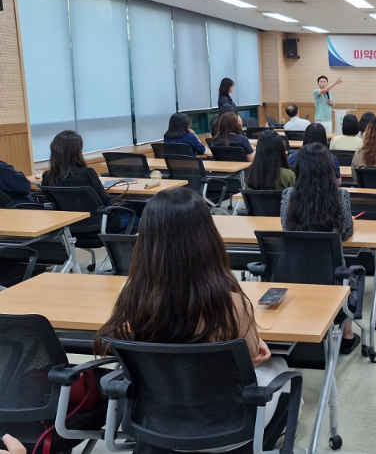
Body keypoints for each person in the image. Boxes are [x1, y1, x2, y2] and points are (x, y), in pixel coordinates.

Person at [94, 189, 289, 442]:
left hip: (155, 422)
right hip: (228, 427)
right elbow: (252, 358)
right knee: (281, 366)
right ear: (208, 237)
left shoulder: (133, 297)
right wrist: (253, 341)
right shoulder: (232, 304)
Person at [280, 143, 359, 353]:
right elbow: (347, 233)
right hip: (330, 275)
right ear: (328, 168)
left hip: (292, 274)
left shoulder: (288, 194)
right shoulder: (340, 195)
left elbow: (285, 228)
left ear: (299, 168)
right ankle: (347, 335)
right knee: (354, 276)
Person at [42, 131, 136, 232]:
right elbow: (104, 201)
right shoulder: (87, 173)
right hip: (101, 225)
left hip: (68, 228)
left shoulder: (48, 177)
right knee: (141, 218)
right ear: (77, 152)